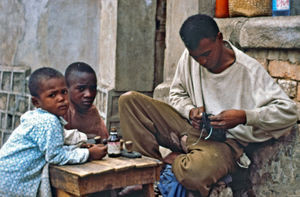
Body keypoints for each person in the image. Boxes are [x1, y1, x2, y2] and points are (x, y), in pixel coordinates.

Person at [118, 14, 298, 196]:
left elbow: (289, 112)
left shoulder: (249, 71)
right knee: (129, 101)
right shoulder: (190, 56)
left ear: (219, 38)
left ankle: (165, 167)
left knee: (194, 172)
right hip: (191, 130)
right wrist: (190, 111)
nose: (202, 62)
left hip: (226, 145)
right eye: (196, 57)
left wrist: (244, 116)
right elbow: (176, 93)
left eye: (206, 54)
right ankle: (144, 179)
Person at [0, 67, 107, 197]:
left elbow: (51, 148)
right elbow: (56, 156)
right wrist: (88, 154)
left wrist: (76, 148)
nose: (61, 98)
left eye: (64, 92)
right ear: (36, 102)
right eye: (52, 95)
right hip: (13, 182)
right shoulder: (49, 121)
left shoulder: (39, 116)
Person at [64, 62, 108, 140]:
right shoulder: (62, 111)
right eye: (81, 89)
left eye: (92, 88)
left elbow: (103, 140)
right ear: (67, 88)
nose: (89, 94)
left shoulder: (92, 111)